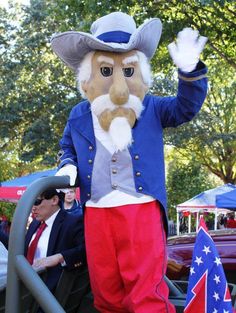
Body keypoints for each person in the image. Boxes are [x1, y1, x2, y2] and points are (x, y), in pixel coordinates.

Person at [51, 12, 208, 313]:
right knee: (106, 293)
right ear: (88, 78)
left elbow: (185, 108)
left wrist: (189, 72)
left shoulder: (152, 107)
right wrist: (67, 165)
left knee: (145, 295)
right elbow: (66, 147)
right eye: (106, 70)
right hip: (97, 213)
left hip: (141, 210)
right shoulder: (79, 115)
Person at [25, 189, 86, 293]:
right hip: (25, 284)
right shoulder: (34, 224)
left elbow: (86, 250)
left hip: (49, 292)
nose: (33, 208)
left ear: (54, 200)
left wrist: (60, 257)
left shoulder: (73, 222)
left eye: (36, 202)